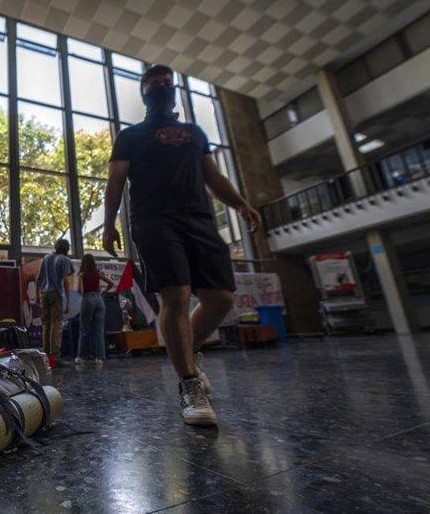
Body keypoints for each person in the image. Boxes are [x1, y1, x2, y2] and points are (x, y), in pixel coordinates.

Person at [102, 64, 261, 427]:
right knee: (175, 295)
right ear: (143, 93)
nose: (159, 86)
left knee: (220, 298)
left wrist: (241, 204)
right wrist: (110, 224)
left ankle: (189, 352)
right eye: (152, 83)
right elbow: (115, 183)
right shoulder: (131, 136)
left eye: (165, 82)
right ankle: (189, 384)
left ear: (173, 90)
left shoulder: (194, 133)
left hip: (198, 219)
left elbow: (214, 177)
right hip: (154, 220)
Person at [35, 238, 74, 367]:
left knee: (46, 325)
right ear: (66, 248)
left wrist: (36, 295)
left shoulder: (46, 258)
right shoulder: (65, 260)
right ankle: (55, 358)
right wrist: (68, 302)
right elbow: (66, 282)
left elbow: (38, 277)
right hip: (56, 294)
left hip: (43, 294)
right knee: (56, 325)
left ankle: (45, 357)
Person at [75, 254, 114, 366]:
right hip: (99, 300)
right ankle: (100, 358)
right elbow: (111, 283)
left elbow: (79, 290)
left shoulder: (82, 275)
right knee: (99, 330)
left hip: (88, 299)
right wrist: (103, 292)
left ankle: (82, 357)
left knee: (84, 329)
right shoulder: (98, 273)